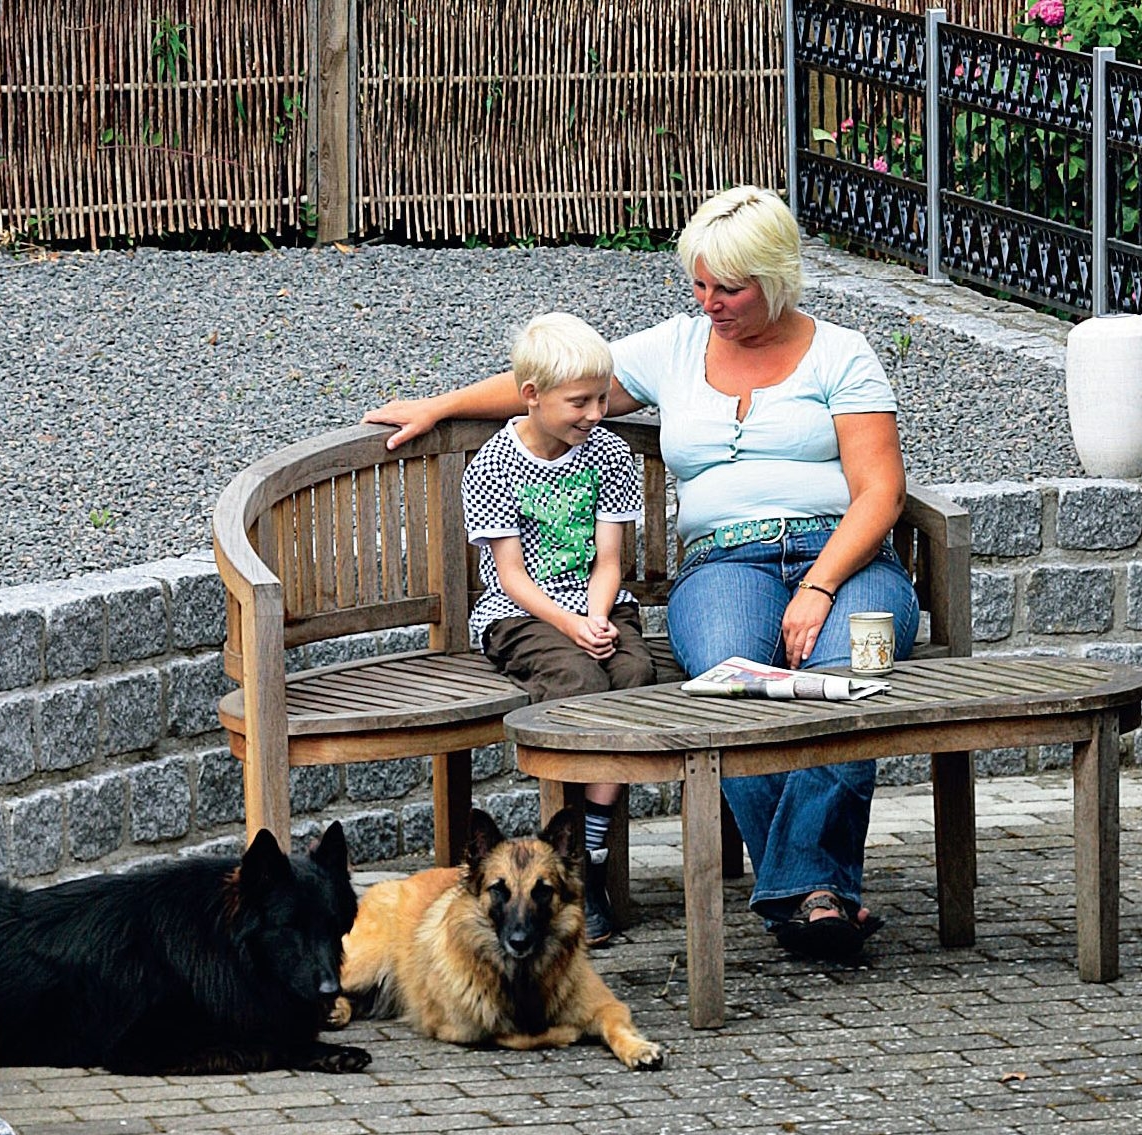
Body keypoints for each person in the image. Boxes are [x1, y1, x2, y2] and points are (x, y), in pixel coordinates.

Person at [369, 186, 915, 966]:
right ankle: (814, 893)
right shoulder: (679, 346)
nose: (708, 301)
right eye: (698, 283)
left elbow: (880, 492)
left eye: (728, 287)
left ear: (777, 277)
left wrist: (819, 585)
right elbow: (552, 382)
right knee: (731, 682)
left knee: (844, 683)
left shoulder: (841, 353)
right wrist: (439, 403)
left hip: (846, 557)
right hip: (727, 559)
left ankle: (801, 892)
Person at [459, 312, 652, 945]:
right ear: (532, 396)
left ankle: (586, 856)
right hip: (524, 614)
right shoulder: (495, 466)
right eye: (580, 402)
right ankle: (570, 861)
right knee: (575, 678)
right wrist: (570, 625)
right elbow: (510, 577)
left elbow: (608, 561)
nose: (596, 412)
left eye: (602, 397)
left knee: (634, 674)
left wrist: (597, 616)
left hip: (594, 604)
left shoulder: (609, 454)